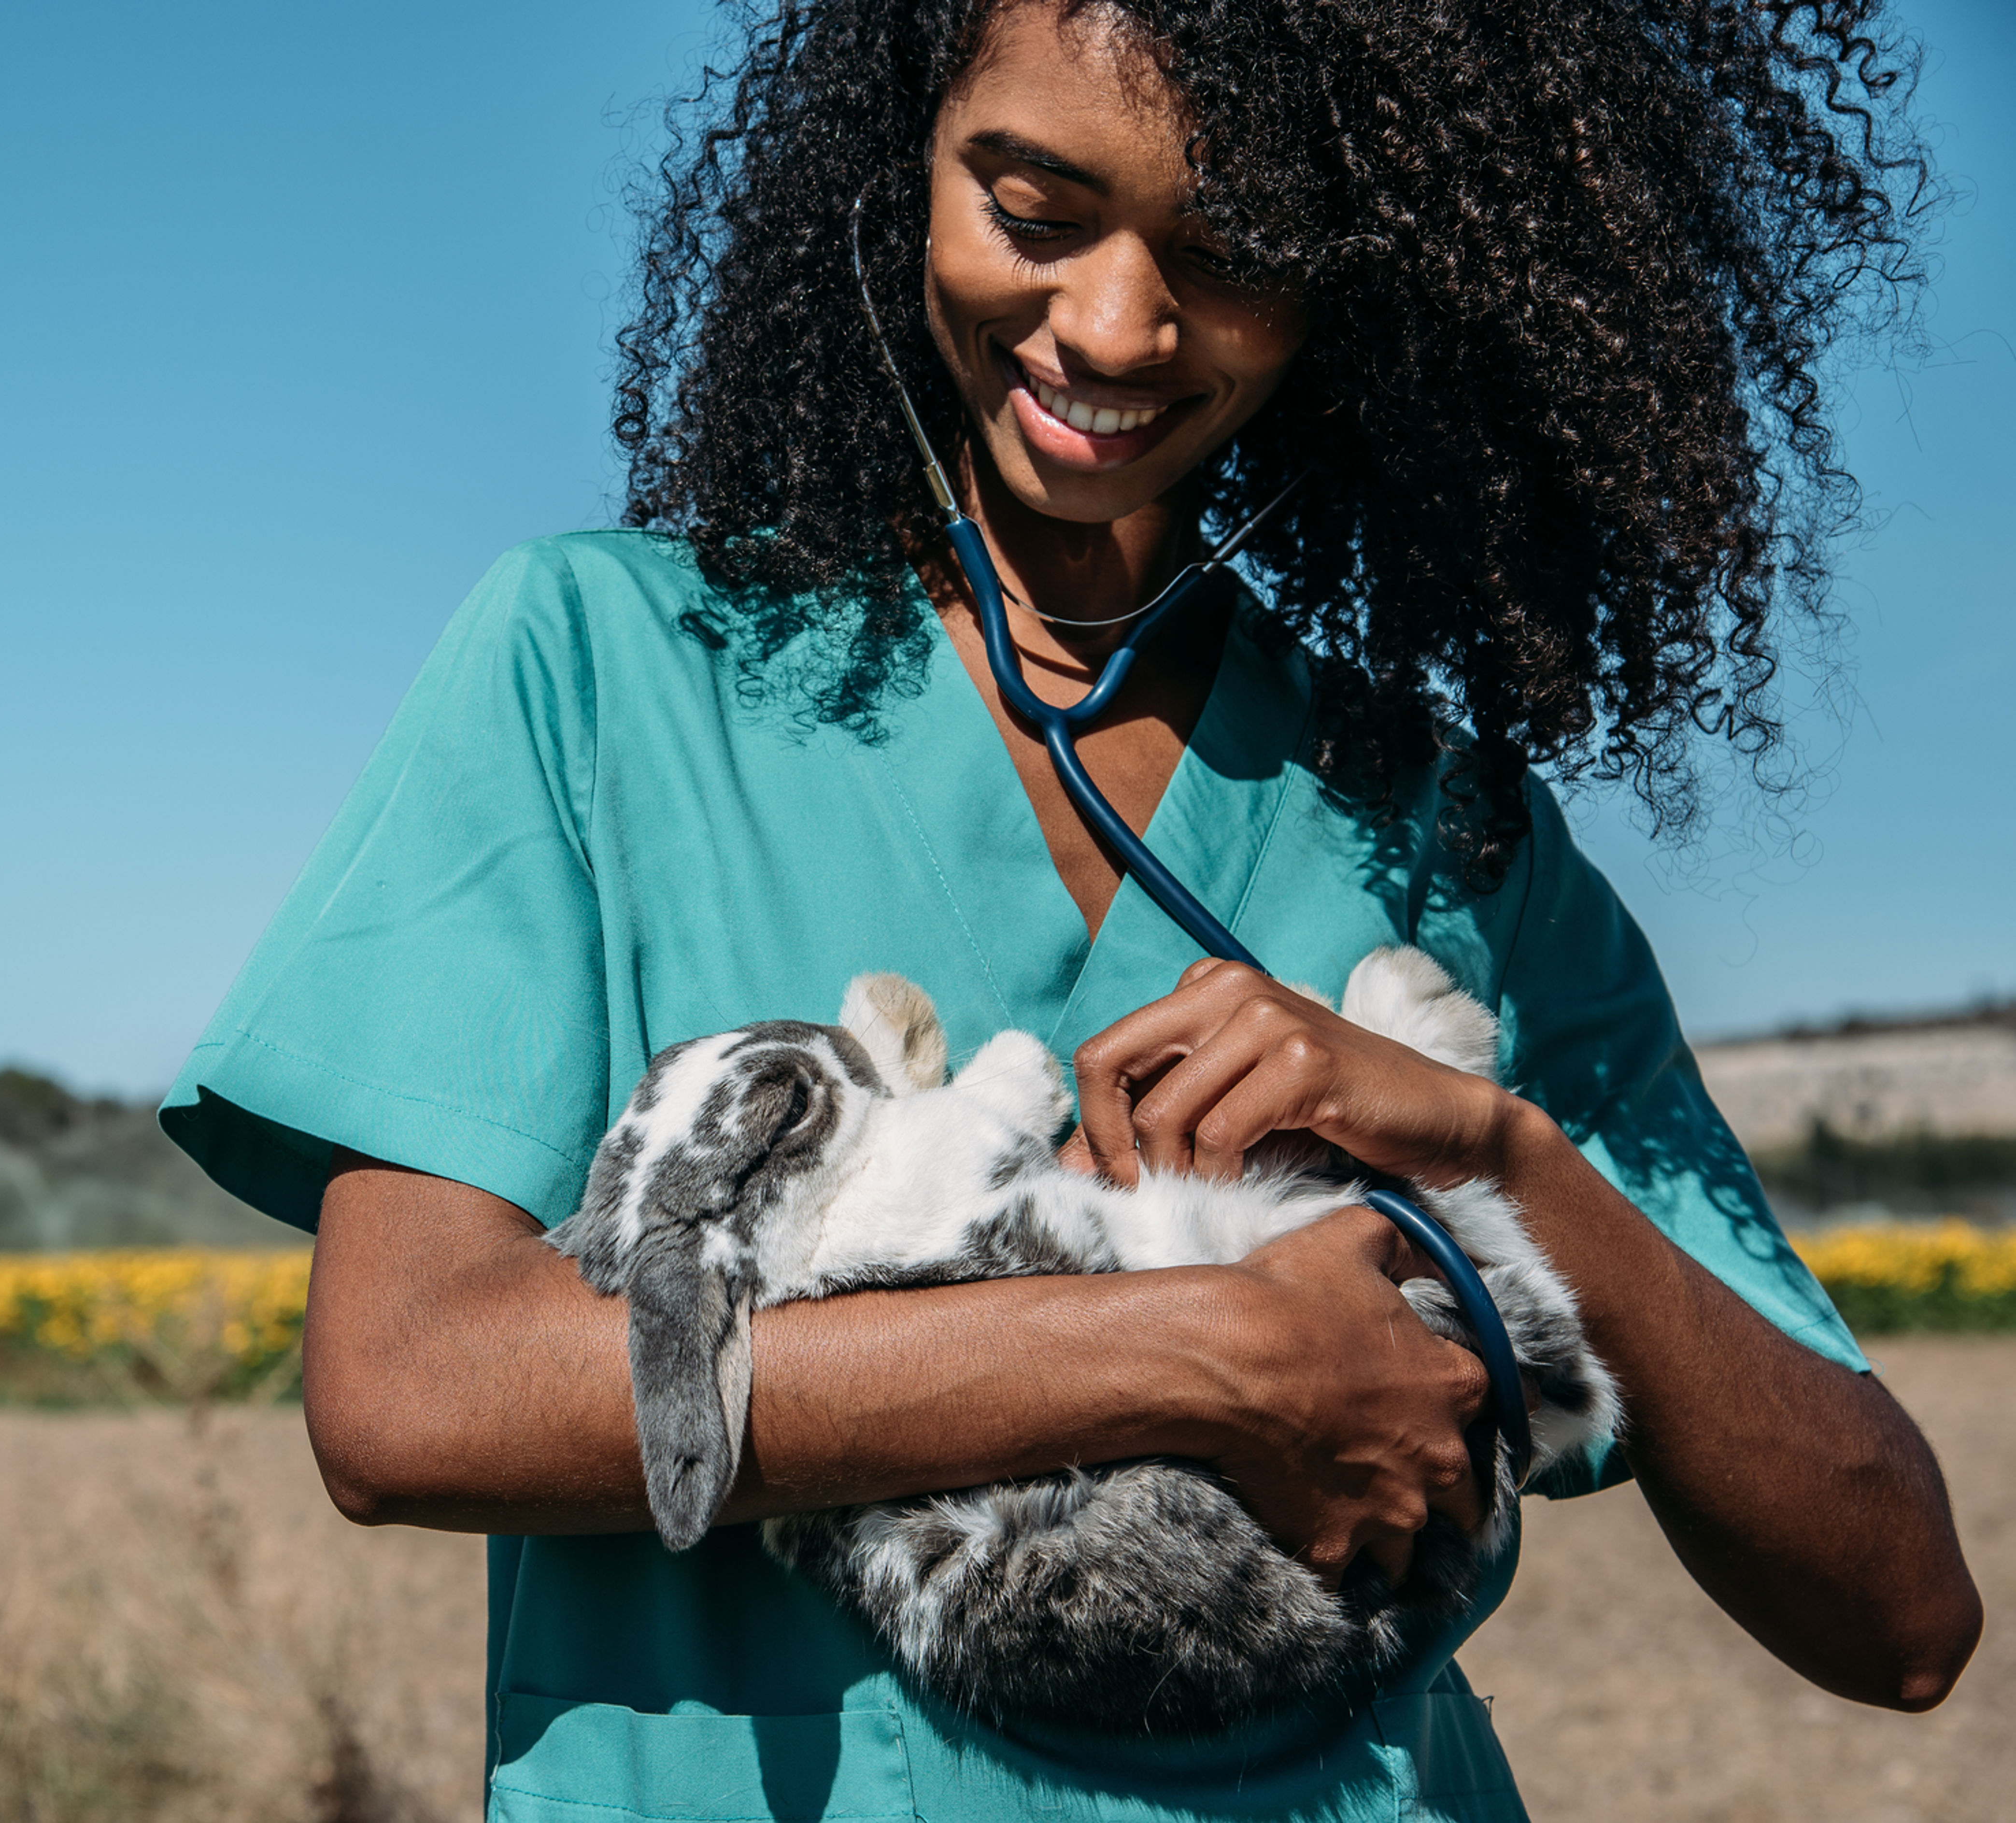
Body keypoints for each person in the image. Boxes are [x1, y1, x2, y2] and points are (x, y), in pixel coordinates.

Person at [161, 1, 1983, 1816]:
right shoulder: (602, 669)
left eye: (1237, 254)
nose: (1116, 325)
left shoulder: (1450, 831)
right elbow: (412, 1398)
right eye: (1034, 212)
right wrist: (1210, 1355)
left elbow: (1900, 1618)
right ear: (902, 170)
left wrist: (1505, 1148)